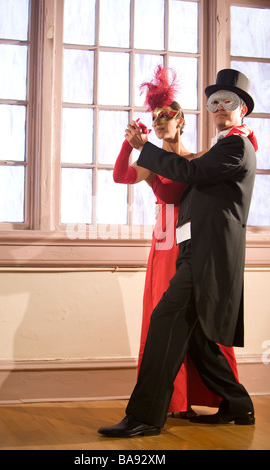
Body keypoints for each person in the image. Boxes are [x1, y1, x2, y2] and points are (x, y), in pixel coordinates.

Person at [98, 68, 258, 437]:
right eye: (214, 103)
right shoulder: (225, 145)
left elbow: (189, 170)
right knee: (198, 337)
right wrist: (137, 149)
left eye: (228, 103)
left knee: (165, 321)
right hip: (190, 250)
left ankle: (144, 416)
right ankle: (238, 404)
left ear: (242, 110)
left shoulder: (235, 146)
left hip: (207, 255)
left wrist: (144, 149)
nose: (219, 108)